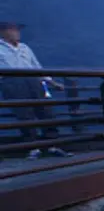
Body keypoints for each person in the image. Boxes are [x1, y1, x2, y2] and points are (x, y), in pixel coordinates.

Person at [0, 21, 71, 159]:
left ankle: (52, 145)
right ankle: (32, 147)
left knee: (45, 111)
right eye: (13, 30)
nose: (16, 33)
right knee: (24, 114)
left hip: (34, 81)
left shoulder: (25, 47)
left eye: (17, 30)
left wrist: (51, 82)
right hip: (13, 82)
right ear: (3, 32)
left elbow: (36, 66)